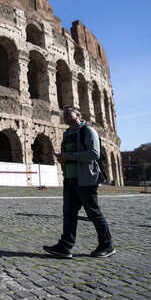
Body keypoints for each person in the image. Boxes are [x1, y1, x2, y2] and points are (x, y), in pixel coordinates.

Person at [43, 105, 116, 259]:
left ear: (78, 114)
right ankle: (65, 246)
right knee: (69, 213)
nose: (65, 116)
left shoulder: (88, 131)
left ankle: (107, 245)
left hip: (86, 179)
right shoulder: (67, 133)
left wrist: (69, 156)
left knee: (93, 213)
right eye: (64, 115)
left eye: (69, 114)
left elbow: (94, 154)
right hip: (70, 178)